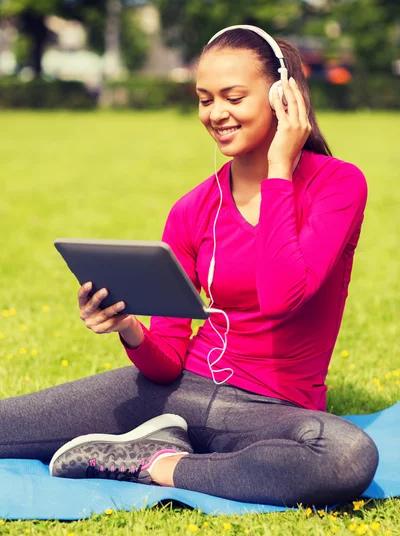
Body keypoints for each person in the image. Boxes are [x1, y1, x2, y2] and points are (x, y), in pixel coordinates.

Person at [0, 25, 379, 508]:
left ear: (285, 98)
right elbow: (167, 364)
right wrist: (130, 328)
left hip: (275, 412)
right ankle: (165, 441)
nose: (216, 113)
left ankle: (155, 463)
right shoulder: (193, 209)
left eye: (234, 97)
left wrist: (280, 172)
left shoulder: (338, 185)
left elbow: (284, 297)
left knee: (347, 455)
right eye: (205, 99)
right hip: (183, 392)